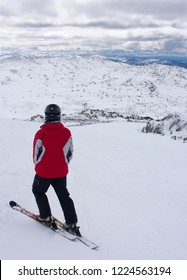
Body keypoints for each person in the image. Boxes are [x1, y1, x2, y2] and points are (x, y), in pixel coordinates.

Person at [32, 104, 81, 236]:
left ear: (46, 116)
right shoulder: (66, 133)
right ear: (59, 116)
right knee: (63, 195)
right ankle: (71, 223)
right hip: (61, 172)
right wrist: (63, 165)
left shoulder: (41, 133)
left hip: (44, 172)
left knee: (38, 191)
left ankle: (45, 216)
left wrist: (38, 166)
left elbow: (36, 154)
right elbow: (69, 153)